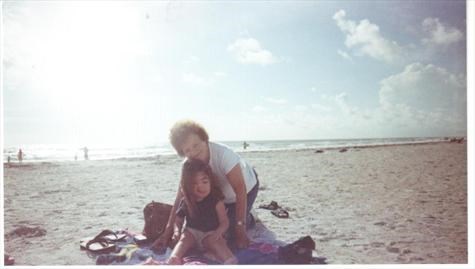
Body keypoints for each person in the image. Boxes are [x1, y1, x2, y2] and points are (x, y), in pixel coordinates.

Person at [153, 120, 259, 250]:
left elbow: (240, 190)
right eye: (187, 150)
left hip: (246, 189)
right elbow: (181, 196)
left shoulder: (224, 155)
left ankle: (250, 217)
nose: (193, 152)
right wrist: (167, 232)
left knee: (229, 235)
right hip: (220, 197)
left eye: (196, 145)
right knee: (207, 231)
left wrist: (240, 227)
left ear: (204, 139)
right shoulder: (188, 165)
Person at [167, 159, 237, 265]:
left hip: (210, 233)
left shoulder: (216, 201)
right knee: (184, 238)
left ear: (210, 181)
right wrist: (176, 232)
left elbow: (224, 222)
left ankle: (229, 260)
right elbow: (178, 220)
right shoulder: (186, 200)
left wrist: (217, 234)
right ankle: (174, 258)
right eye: (194, 183)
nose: (200, 186)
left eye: (204, 182)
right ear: (187, 185)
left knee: (216, 243)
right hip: (192, 233)